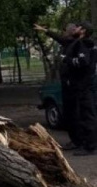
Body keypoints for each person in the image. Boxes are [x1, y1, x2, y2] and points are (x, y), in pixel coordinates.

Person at [35, 22, 97, 155]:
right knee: (79, 115)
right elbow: (62, 39)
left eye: (77, 28)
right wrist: (46, 30)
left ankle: (89, 146)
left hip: (83, 85)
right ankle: (81, 142)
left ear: (82, 31)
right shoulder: (77, 42)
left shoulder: (84, 44)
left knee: (86, 116)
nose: (75, 29)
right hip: (79, 85)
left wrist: (66, 59)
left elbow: (83, 63)